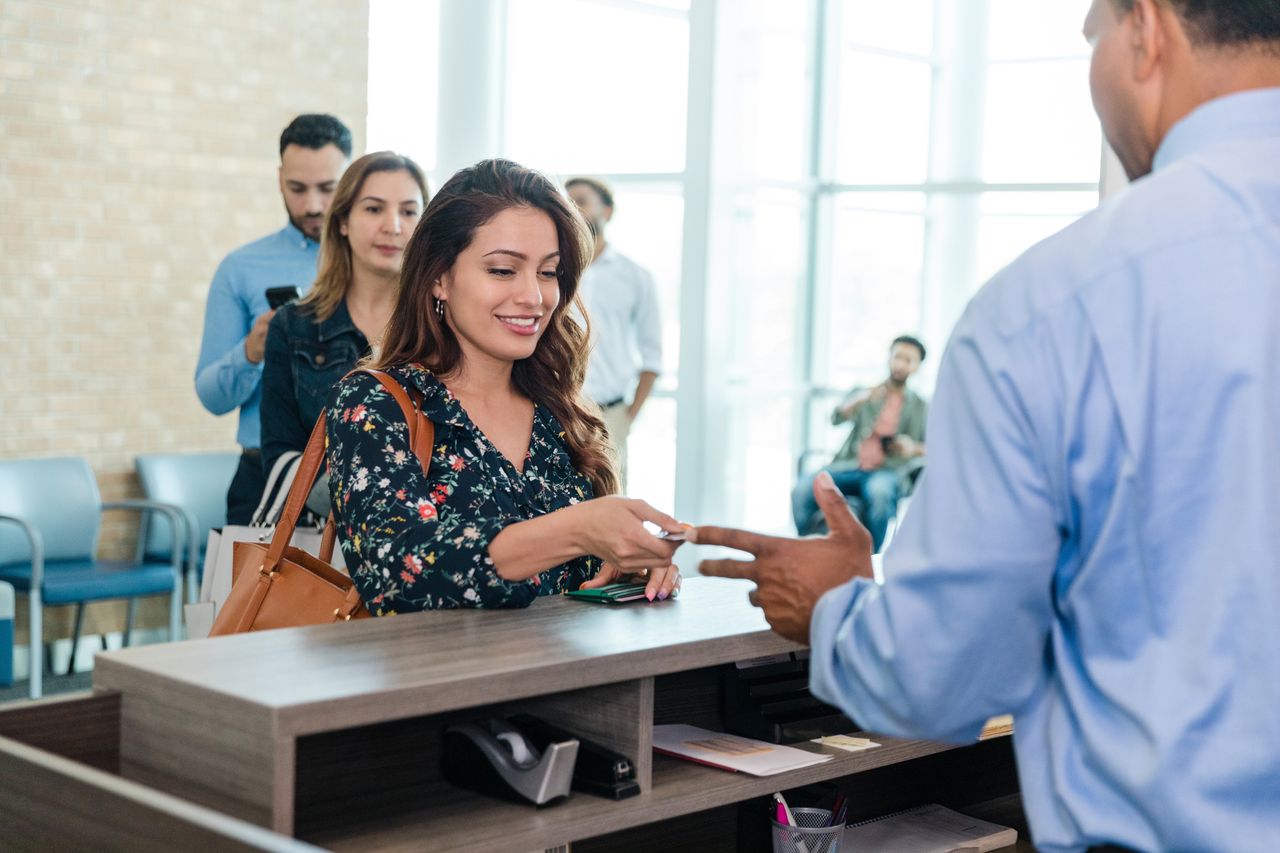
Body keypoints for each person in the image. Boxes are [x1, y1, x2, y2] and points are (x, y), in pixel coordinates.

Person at [695, 1, 1280, 850]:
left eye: (1093, 38)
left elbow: (945, 674)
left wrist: (835, 609)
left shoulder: (1060, 301)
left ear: (1147, 31)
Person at [324, 159, 684, 613]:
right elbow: (396, 572)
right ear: (439, 277)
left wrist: (632, 563)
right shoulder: (375, 404)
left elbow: (580, 580)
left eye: (548, 271)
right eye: (502, 270)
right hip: (440, 683)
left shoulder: (560, 412)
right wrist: (576, 530)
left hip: (579, 679)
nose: (534, 297)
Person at [194, 114, 352, 524]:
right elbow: (211, 396)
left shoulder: (382, 267)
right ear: (280, 179)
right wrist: (251, 351)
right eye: (297, 189)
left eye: (327, 189)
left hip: (358, 480)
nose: (312, 205)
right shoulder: (241, 268)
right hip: (264, 478)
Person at [260, 152, 427, 515]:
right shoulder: (293, 325)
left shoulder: (442, 326)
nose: (393, 226)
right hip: (319, 547)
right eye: (373, 209)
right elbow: (279, 454)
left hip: (426, 543)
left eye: (409, 211)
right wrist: (372, 506)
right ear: (342, 222)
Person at [565, 177, 663, 489]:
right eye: (568, 202)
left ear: (607, 211)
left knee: (611, 503)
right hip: (559, 407)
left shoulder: (636, 277)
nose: (574, 208)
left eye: (582, 200)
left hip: (612, 414)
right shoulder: (554, 270)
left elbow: (653, 355)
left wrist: (628, 417)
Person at [791, 335, 927, 549]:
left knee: (880, 495)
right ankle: (809, 546)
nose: (900, 364)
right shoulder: (865, 393)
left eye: (908, 360)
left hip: (887, 471)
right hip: (848, 465)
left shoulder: (921, 406)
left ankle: (868, 555)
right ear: (889, 358)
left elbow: (932, 448)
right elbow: (836, 419)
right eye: (897, 357)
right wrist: (859, 399)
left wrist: (910, 448)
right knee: (803, 490)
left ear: (917, 367)